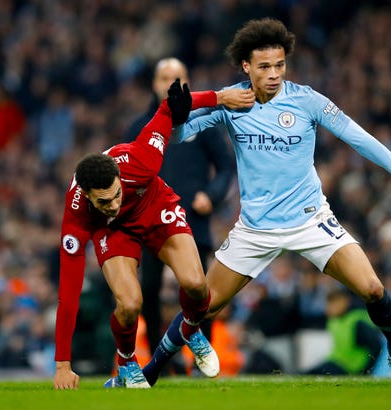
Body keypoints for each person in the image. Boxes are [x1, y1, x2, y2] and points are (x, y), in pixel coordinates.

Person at [143, 17, 391, 386]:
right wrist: (173, 116)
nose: (274, 74)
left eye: (280, 65)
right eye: (265, 66)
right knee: (201, 306)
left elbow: (359, 137)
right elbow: (177, 138)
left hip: (311, 221)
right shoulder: (231, 100)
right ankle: (151, 370)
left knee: (372, 289)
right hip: (255, 230)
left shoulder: (307, 100)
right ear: (246, 66)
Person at [52, 79, 251, 389]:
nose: (114, 203)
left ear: (119, 178)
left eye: (116, 194)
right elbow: (68, 294)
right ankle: (128, 364)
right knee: (130, 304)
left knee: (198, 287)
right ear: (88, 196)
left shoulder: (142, 159)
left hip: (154, 208)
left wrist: (221, 96)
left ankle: (190, 329)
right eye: (104, 201)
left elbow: (169, 107)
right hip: (113, 231)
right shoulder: (77, 215)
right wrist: (63, 365)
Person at [124, 58, 235, 350]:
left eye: (177, 77)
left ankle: (203, 351)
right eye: (164, 78)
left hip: (191, 220)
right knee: (148, 289)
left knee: (198, 287)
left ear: (187, 82)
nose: (170, 84)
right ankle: (157, 353)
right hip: (149, 223)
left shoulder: (202, 123)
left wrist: (211, 195)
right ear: (153, 84)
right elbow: (124, 174)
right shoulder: (138, 126)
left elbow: (225, 166)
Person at [305, 289, 382, 376]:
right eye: (329, 303)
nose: (329, 307)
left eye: (333, 303)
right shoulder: (334, 321)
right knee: (311, 372)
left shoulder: (357, 321)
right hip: (335, 363)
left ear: (345, 301)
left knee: (312, 374)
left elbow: (376, 347)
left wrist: (365, 371)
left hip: (350, 369)